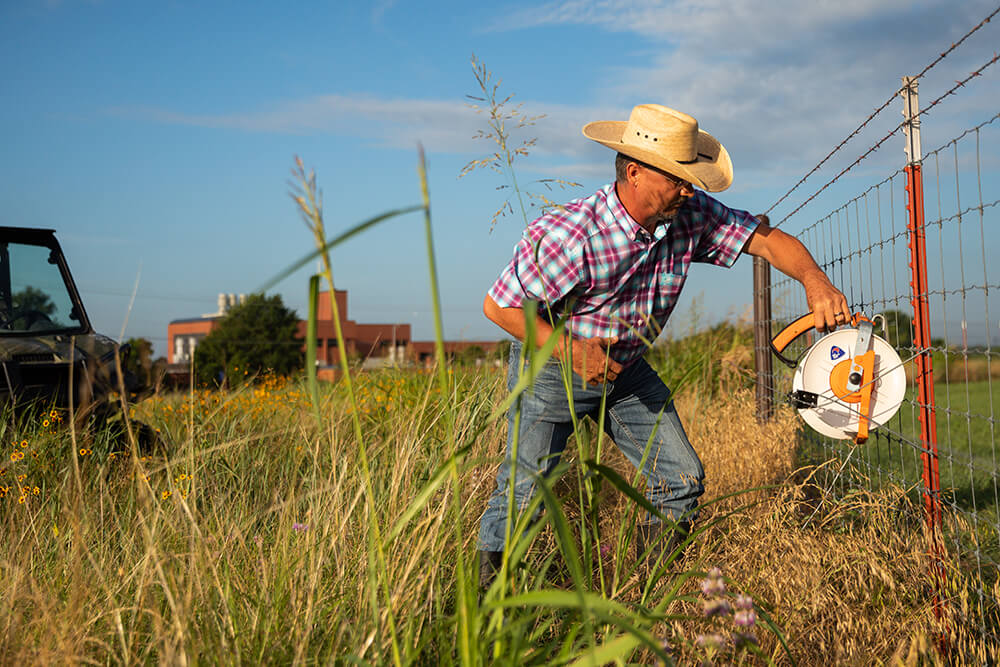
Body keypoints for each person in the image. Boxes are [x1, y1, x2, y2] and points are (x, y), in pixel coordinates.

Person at [477, 104, 849, 588]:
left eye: (689, 176)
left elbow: (767, 241)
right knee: (525, 491)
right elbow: (500, 308)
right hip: (552, 366)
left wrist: (815, 280)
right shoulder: (571, 235)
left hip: (626, 369)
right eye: (676, 177)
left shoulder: (689, 215)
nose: (688, 188)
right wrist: (574, 351)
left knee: (680, 479)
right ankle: (493, 614)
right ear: (634, 172)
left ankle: (639, 598)